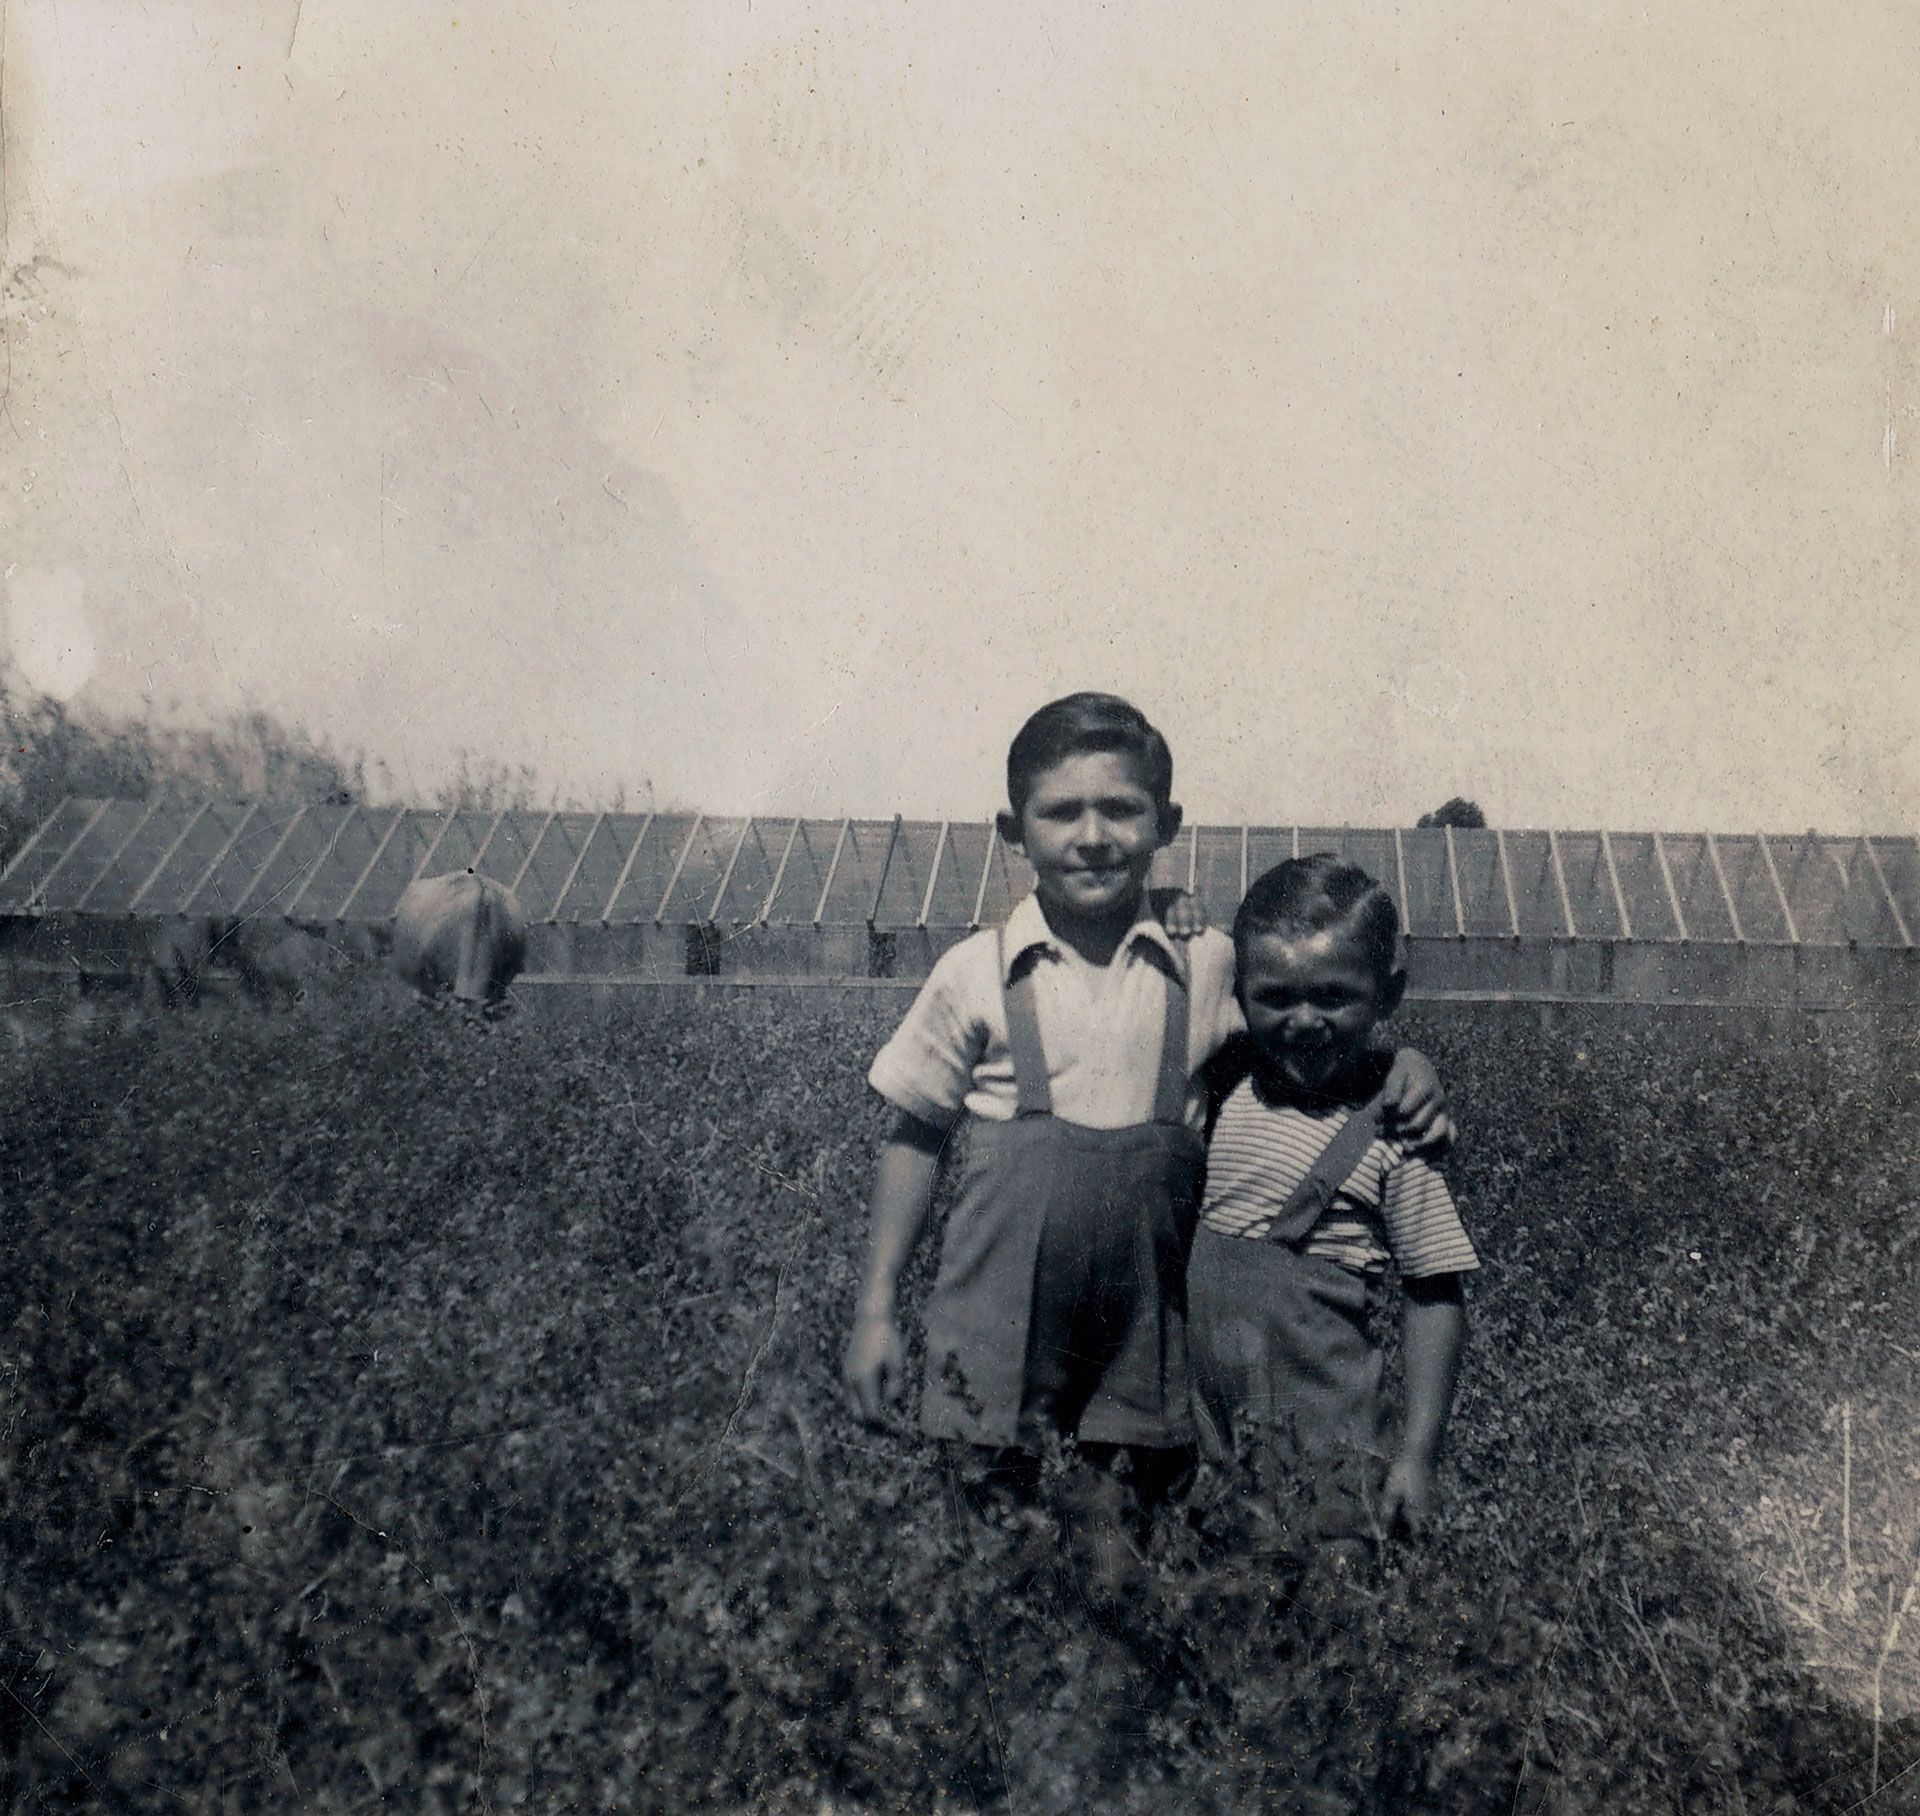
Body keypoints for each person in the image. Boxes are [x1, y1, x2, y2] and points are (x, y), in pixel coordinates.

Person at [841, 694, 1452, 1592]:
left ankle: (1112, 1695)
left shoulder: (1206, 962)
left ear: (1166, 823)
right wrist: (875, 1309)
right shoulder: (973, 973)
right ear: (1014, 829)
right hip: (1000, 1309)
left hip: (1142, 1315)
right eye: (1061, 812)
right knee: (987, 1537)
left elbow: (1312, 1021)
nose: (1092, 836)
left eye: (1121, 810)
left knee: (1119, 1548)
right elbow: (915, 1136)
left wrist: (1407, 1062)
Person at [1188, 853, 1478, 1563]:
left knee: (1330, 1604)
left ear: (1387, 994)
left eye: (1334, 996)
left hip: (1328, 1445)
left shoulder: (1397, 1126)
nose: (1305, 1020)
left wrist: (1418, 1455)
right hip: (1202, 1431)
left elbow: (1436, 1292)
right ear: (1239, 998)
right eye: (1276, 998)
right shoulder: (1218, 1087)